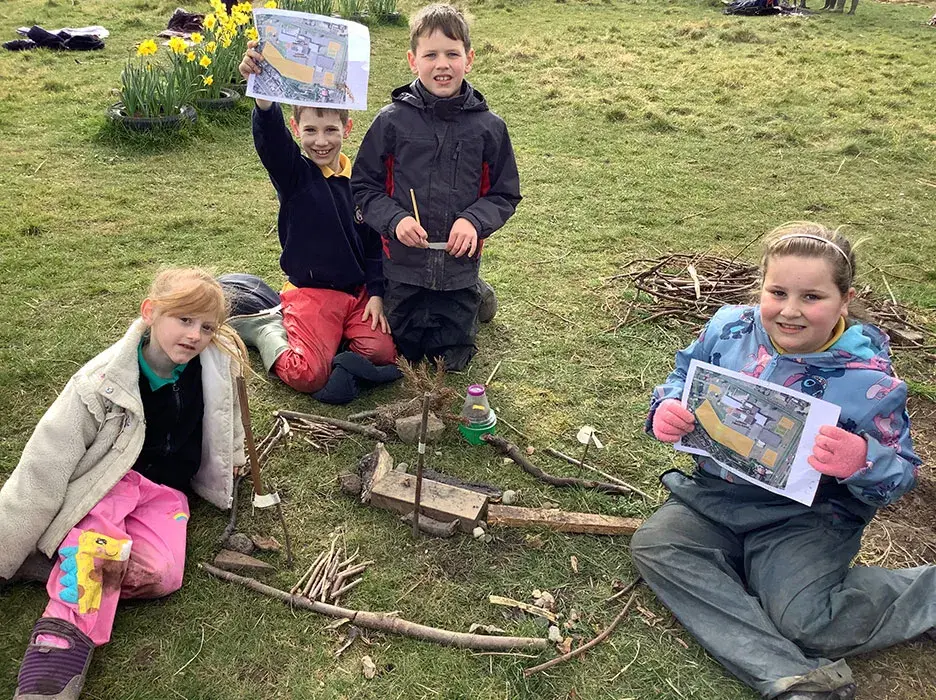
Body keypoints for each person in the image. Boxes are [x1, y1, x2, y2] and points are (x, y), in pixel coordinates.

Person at [630, 222, 927, 700]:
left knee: (807, 621)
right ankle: (795, 677)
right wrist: (664, 409)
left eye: (812, 297)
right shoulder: (729, 328)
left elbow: (901, 475)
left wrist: (862, 460)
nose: (790, 311)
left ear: (844, 300)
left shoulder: (870, 381)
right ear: (761, 288)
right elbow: (682, 376)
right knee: (657, 545)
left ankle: (925, 595)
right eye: (777, 292)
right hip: (716, 496)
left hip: (807, 517)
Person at [0, 268, 248, 700]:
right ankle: (58, 650)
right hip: (108, 485)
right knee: (99, 555)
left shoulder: (214, 368)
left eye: (206, 327)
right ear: (151, 312)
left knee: (162, 576)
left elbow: (229, 420)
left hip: (166, 492)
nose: (194, 335)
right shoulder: (99, 385)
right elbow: (41, 468)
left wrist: (236, 459)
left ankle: (62, 560)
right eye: (184, 319)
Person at [351, 3, 521, 371]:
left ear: (469, 58)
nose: (442, 64)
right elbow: (364, 187)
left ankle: (477, 295)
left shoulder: (489, 127)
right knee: (404, 353)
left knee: (453, 359)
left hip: (458, 268)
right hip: (403, 267)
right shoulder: (390, 122)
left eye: (452, 54)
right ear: (413, 60)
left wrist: (474, 221)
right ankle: (474, 298)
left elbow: (505, 193)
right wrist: (395, 220)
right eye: (430, 55)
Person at [231, 45, 398, 401]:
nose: (320, 141)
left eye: (330, 130)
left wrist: (377, 294)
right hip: (312, 292)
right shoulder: (295, 174)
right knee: (308, 375)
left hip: (356, 295)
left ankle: (333, 343)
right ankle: (266, 329)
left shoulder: (361, 182)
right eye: (310, 130)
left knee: (383, 352)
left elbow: (372, 246)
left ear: (347, 128)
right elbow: (273, 142)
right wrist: (263, 100)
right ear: (296, 128)